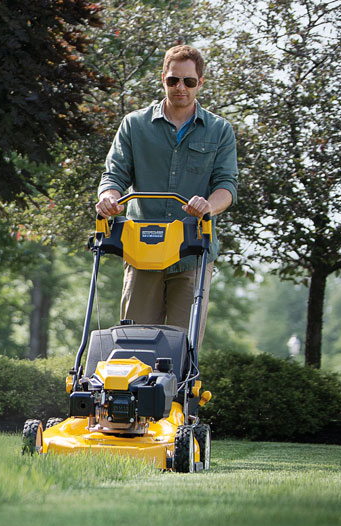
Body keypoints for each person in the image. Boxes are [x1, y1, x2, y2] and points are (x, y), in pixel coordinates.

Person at [95, 45, 238, 349]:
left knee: (181, 348)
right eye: (173, 80)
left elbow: (227, 185)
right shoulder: (135, 125)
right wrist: (109, 198)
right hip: (141, 249)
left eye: (188, 81)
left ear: (201, 82)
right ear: (163, 79)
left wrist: (208, 206)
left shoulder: (219, 130)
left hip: (192, 252)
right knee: (133, 343)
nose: (180, 88)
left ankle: (179, 397)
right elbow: (114, 175)